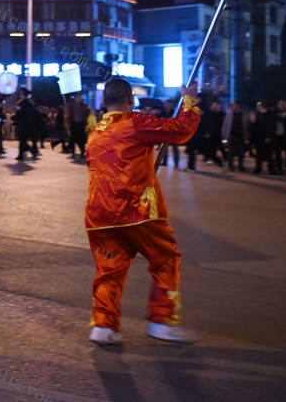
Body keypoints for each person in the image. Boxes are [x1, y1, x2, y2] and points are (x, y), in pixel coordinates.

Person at [84, 78, 200, 345]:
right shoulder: (135, 122)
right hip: (137, 209)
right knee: (165, 258)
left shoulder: (95, 133)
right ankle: (161, 320)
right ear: (130, 99)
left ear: (104, 102)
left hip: (99, 215)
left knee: (109, 271)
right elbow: (181, 130)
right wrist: (190, 101)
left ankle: (103, 325)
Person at [12, 88, 40, 160]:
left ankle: (32, 152)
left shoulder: (22, 103)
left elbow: (19, 114)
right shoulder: (29, 103)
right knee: (22, 141)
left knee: (22, 141)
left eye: (21, 93)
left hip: (23, 125)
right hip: (28, 125)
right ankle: (21, 155)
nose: (20, 94)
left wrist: (13, 118)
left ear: (23, 94)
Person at [250, 101, 276, 175]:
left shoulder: (270, 114)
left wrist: (269, 136)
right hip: (258, 137)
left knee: (269, 153)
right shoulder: (258, 115)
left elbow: (272, 126)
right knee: (258, 153)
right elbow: (254, 127)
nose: (257, 108)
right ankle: (258, 167)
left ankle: (271, 168)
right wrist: (253, 121)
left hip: (266, 136)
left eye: (259, 106)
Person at [221, 100, 247, 172]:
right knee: (230, 152)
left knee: (241, 152)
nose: (232, 106)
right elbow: (225, 125)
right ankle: (230, 166)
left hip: (241, 135)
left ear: (238, 105)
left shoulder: (244, 114)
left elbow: (248, 123)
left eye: (234, 105)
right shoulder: (229, 114)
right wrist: (224, 135)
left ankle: (241, 166)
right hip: (231, 135)